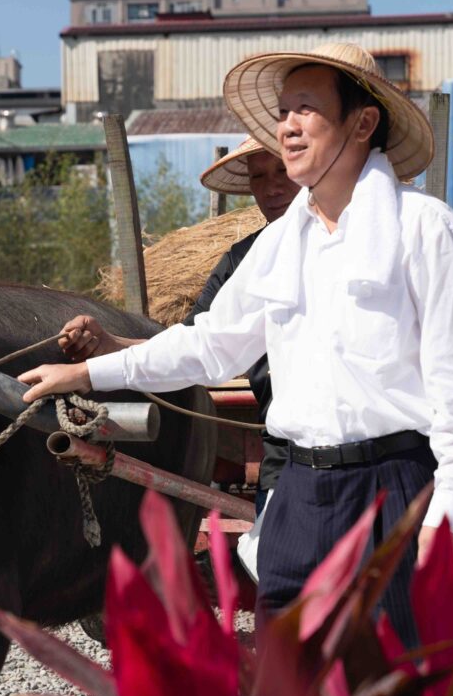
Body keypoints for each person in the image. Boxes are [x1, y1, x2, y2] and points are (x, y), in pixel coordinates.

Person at [19, 43, 453, 646]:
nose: (287, 128)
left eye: (306, 109)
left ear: (363, 122)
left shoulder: (424, 230)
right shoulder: (278, 246)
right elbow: (209, 347)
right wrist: (89, 375)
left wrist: (451, 519)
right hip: (296, 497)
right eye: (282, 113)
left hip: (394, 492)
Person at [58, 136, 300, 582]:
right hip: (289, 445)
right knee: (285, 590)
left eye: (282, 172)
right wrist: (108, 346)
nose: (271, 188)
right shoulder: (244, 260)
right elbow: (195, 343)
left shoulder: (371, 241)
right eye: (258, 177)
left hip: (379, 452)